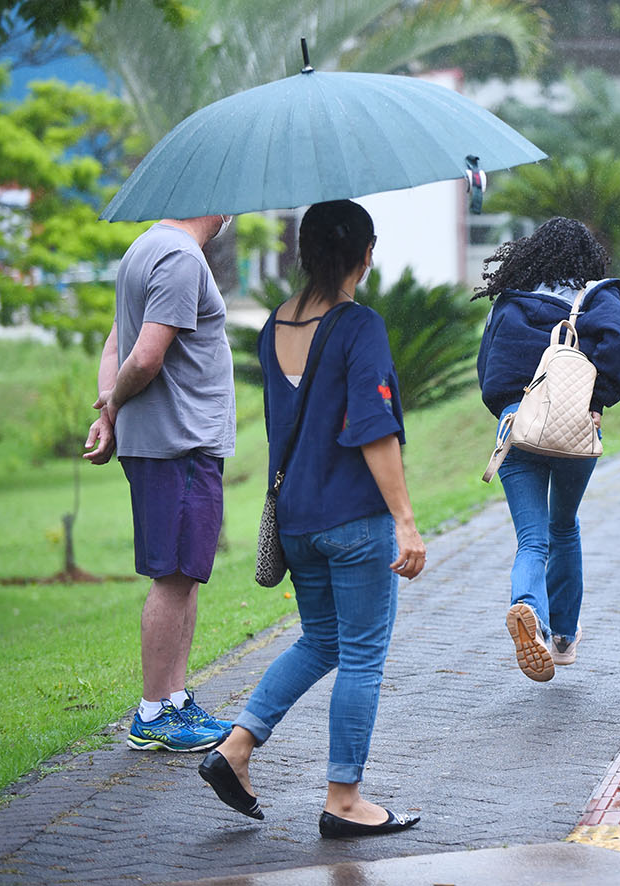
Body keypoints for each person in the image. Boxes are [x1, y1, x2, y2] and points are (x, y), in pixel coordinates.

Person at [196, 200, 427, 836]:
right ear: (366, 255)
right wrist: (405, 520)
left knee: (322, 641)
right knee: (360, 656)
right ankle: (345, 799)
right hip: (354, 518)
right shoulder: (360, 326)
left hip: (296, 517)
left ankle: (236, 747)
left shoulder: (275, 325)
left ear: (303, 254)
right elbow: (373, 430)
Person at [475, 217, 620, 682]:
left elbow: (488, 365)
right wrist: (599, 400)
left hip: (517, 425)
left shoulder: (512, 299)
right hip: (574, 425)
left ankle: (526, 607)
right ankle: (563, 637)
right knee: (564, 525)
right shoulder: (596, 296)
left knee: (532, 539)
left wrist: (508, 405)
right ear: (587, 256)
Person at [84, 213, 236, 752]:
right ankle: (153, 713)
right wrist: (117, 405)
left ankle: (174, 701)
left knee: (184, 574)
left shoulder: (144, 248)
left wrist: (107, 413)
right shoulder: (178, 257)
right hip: (180, 443)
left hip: (171, 442)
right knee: (173, 576)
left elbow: (113, 349)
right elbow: (144, 356)